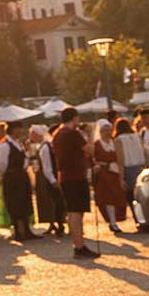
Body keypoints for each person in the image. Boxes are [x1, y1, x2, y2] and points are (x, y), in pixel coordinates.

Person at [53, 109, 99, 259]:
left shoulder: (58, 134)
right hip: (76, 175)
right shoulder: (73, 133)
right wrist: (91, 134)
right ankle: (79, 246)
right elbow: (91, 150)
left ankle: (78, 244)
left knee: (74, 210)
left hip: (65, 176)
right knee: (76, 211)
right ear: (75, 118)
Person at [0, 123, 35, 240]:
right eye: (19, 129)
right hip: (12, 177)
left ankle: (26, 229)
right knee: (15, 203)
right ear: (12, 130)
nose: (21, 132)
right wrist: (3, 175)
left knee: (25, 202)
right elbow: (1, 165)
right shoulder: (4, 146)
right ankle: (19, 231)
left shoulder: (18, 144)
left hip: (21, 176)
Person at [92, 120, 130, 237]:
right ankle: (112, 222)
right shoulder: (97, 144)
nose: (107, 133)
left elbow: (120, 160)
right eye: (104, 130)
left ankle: (115, 221)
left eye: (108, 130)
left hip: (114, 173)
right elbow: (93, 160)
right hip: (104, 174)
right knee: (108, 199)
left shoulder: (115, 143)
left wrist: (121, 177)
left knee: (117, 197)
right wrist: (97, 165)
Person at [32, 125, 66, 236]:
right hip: (44, 176)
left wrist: (52, 180)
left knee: (53, 201)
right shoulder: (42, 146)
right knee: (49, 201)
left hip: (46, 177)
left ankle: (59, 224)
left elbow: (47, 166)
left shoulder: (45, 147)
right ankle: (53, 223)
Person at [115, 116, 148, 223]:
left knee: (131, 197)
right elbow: (145, 152)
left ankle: (138, 220)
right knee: (141, 196)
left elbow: (120, 160)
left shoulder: (119, 140)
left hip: (128, 169)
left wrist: (120, 178)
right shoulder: (138, 136)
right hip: (141, 166)